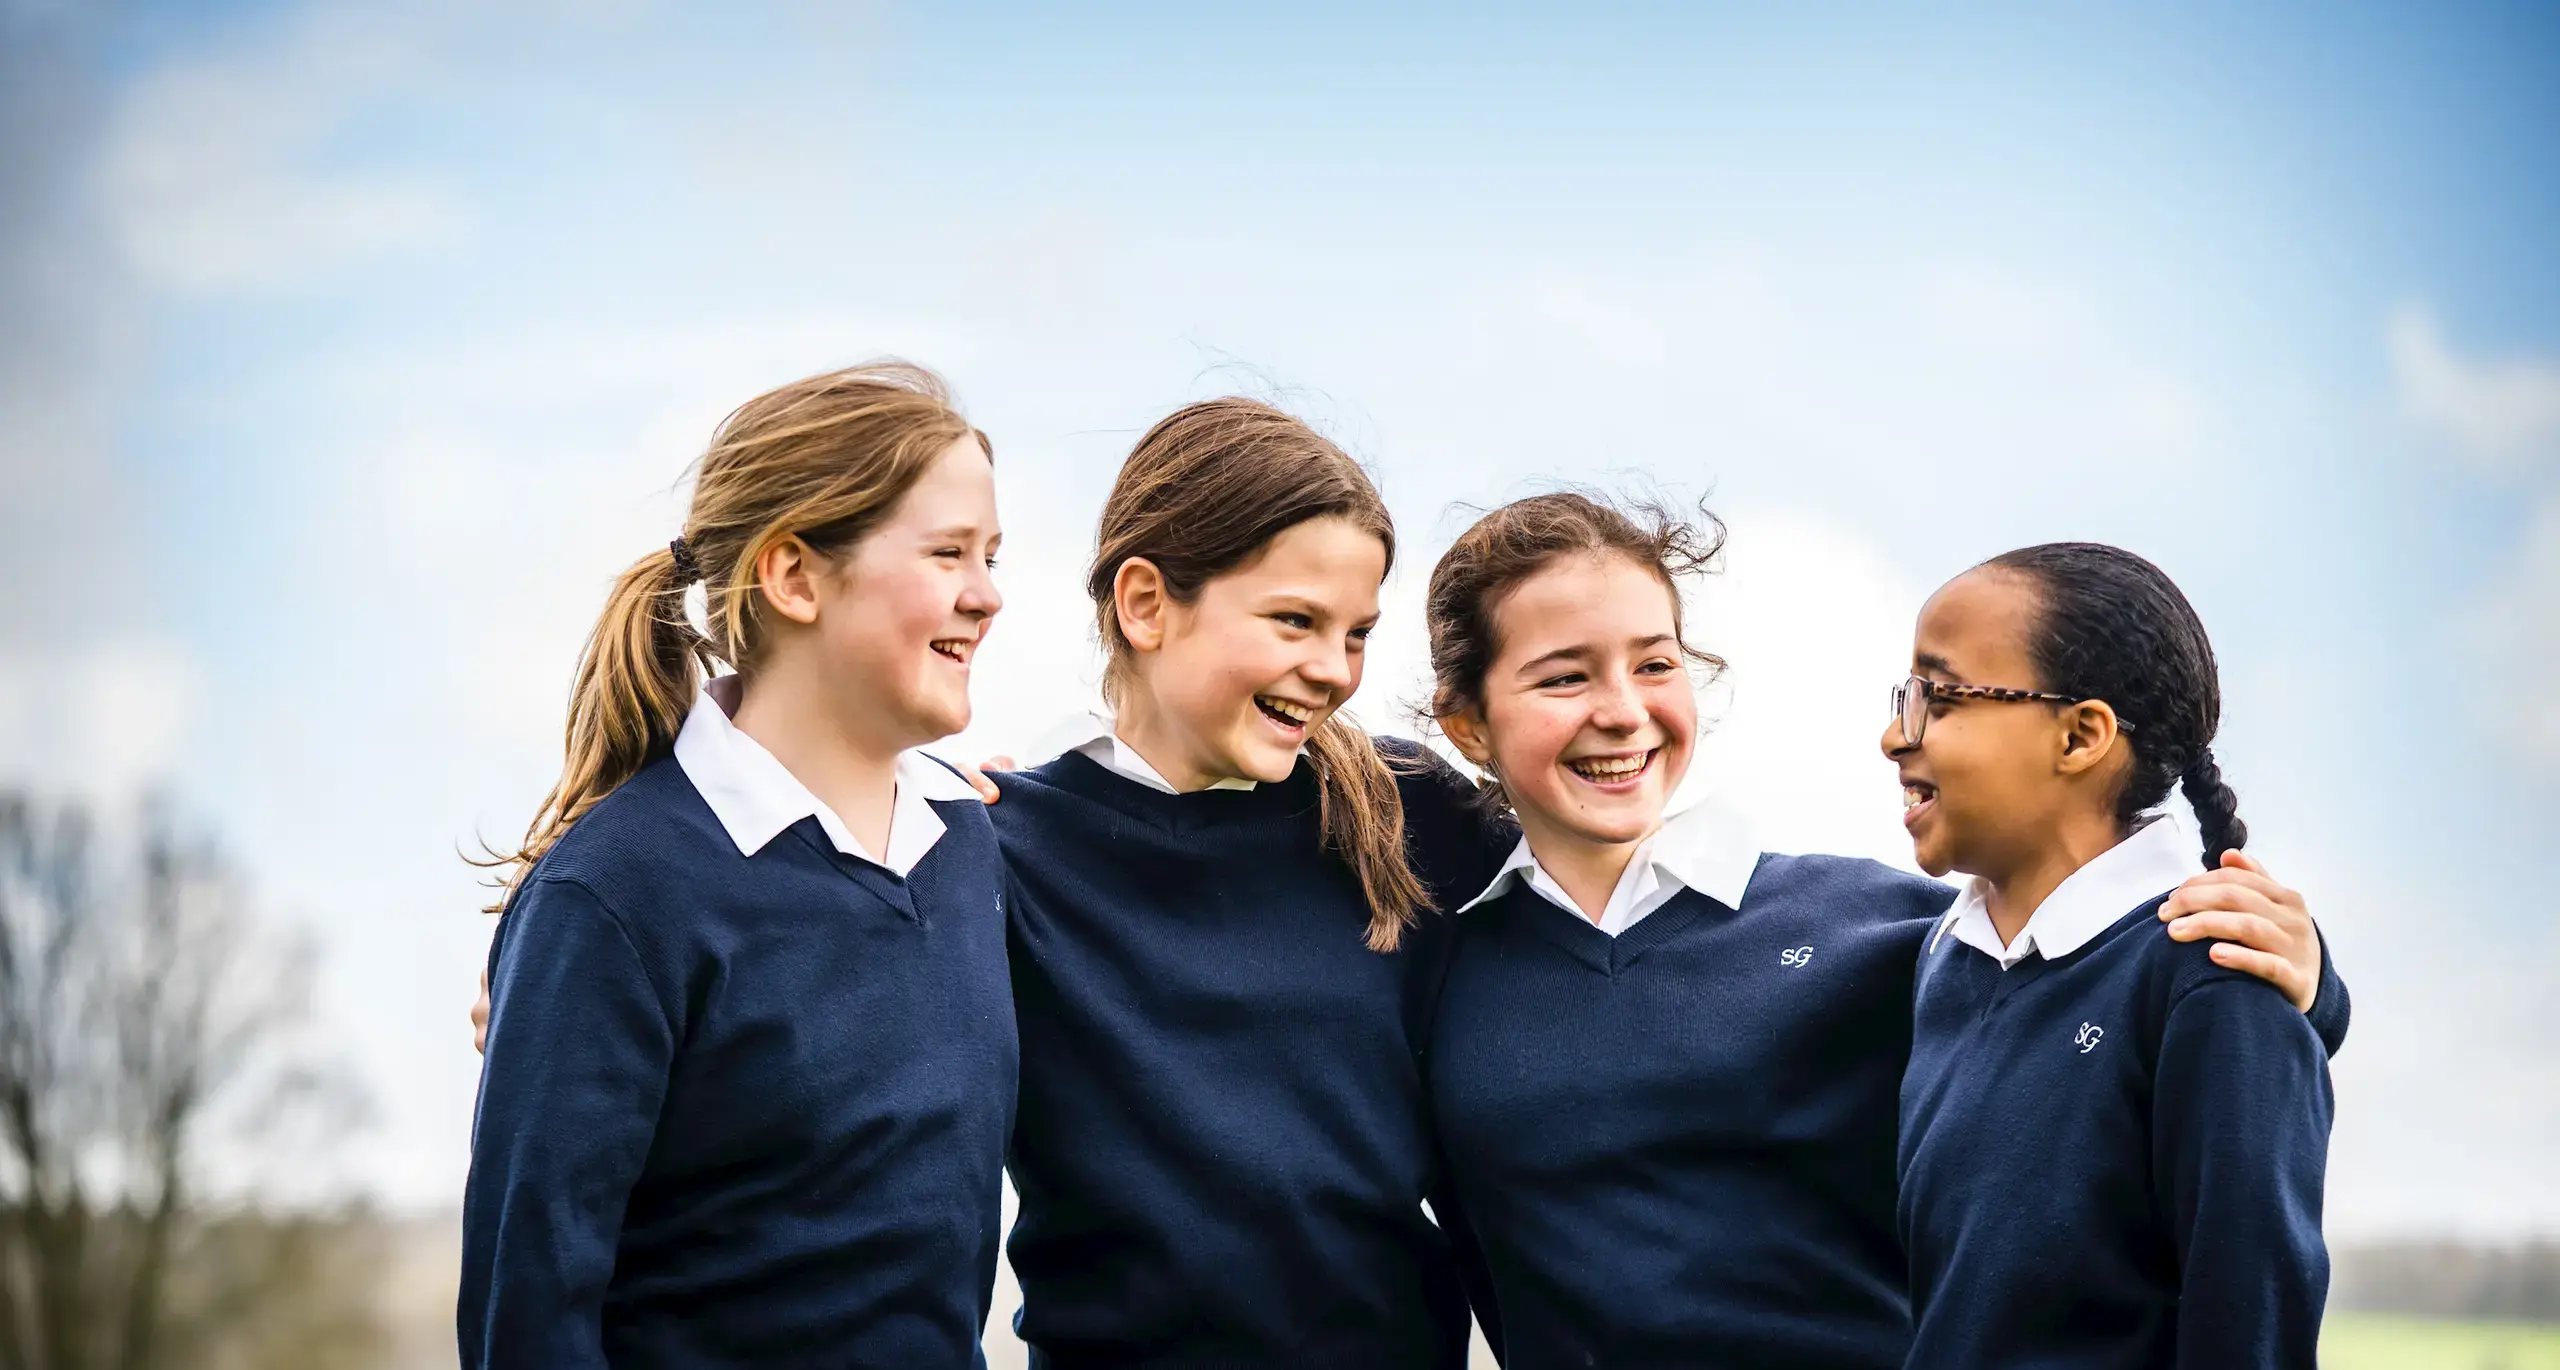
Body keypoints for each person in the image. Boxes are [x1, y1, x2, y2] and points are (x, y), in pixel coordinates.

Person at [1419, 494, 2344, 1369]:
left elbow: (2089, 986)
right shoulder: (1428, 961)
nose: (1621, 708)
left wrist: (2304, 980)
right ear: (1467, 723)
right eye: (1565, 676)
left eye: (1655, 663)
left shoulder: (1888, 932)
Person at [461, 363, 1015, 1368]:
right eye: (947, 553)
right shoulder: (613, 895)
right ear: (794, 575)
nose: (988, 595)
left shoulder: (973, 842)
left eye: (990, 554)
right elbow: (528, 1311)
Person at [988, 398, 1503, 1367]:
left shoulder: (1410, 811)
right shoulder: (997, 850)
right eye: (1294, 621)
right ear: (1145, 602)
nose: (1333, 668)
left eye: (1356, 632)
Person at [1889, 543, 2331, 1368]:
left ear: (2081, 735)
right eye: (1905, 698)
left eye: (1938, 699)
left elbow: (2249, 1330)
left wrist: (2318, 989)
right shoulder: (1943, 963)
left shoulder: (2213, 980)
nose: (1893, 736)